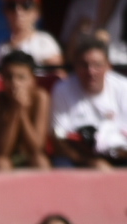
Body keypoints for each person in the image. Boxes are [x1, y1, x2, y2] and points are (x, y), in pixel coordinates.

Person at [50, 36, 127, 169]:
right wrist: (91, 162)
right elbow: (59, 140)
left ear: (108, 66)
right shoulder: (62, 90)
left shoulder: (123, 87)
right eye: (84, 65)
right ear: (75, 66)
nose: (91, 71)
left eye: (97, 65)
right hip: (77, 157)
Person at [0, 50, 52, 169]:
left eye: (21, 77)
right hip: (3, 156)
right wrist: (16, 110)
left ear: (33, 80)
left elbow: (37, 147)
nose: (15, 83)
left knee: (40, 161)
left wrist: (23, 113)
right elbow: (2, 151)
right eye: (9, 77)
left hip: (28, 156)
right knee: (1, 163)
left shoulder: (40, 98)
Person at [0, 0, 64, 68]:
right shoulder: (1, 48)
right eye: (12, 6)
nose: (18, 11)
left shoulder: (44, 42)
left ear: (37, 12)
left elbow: (58, 77)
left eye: (26, 5)